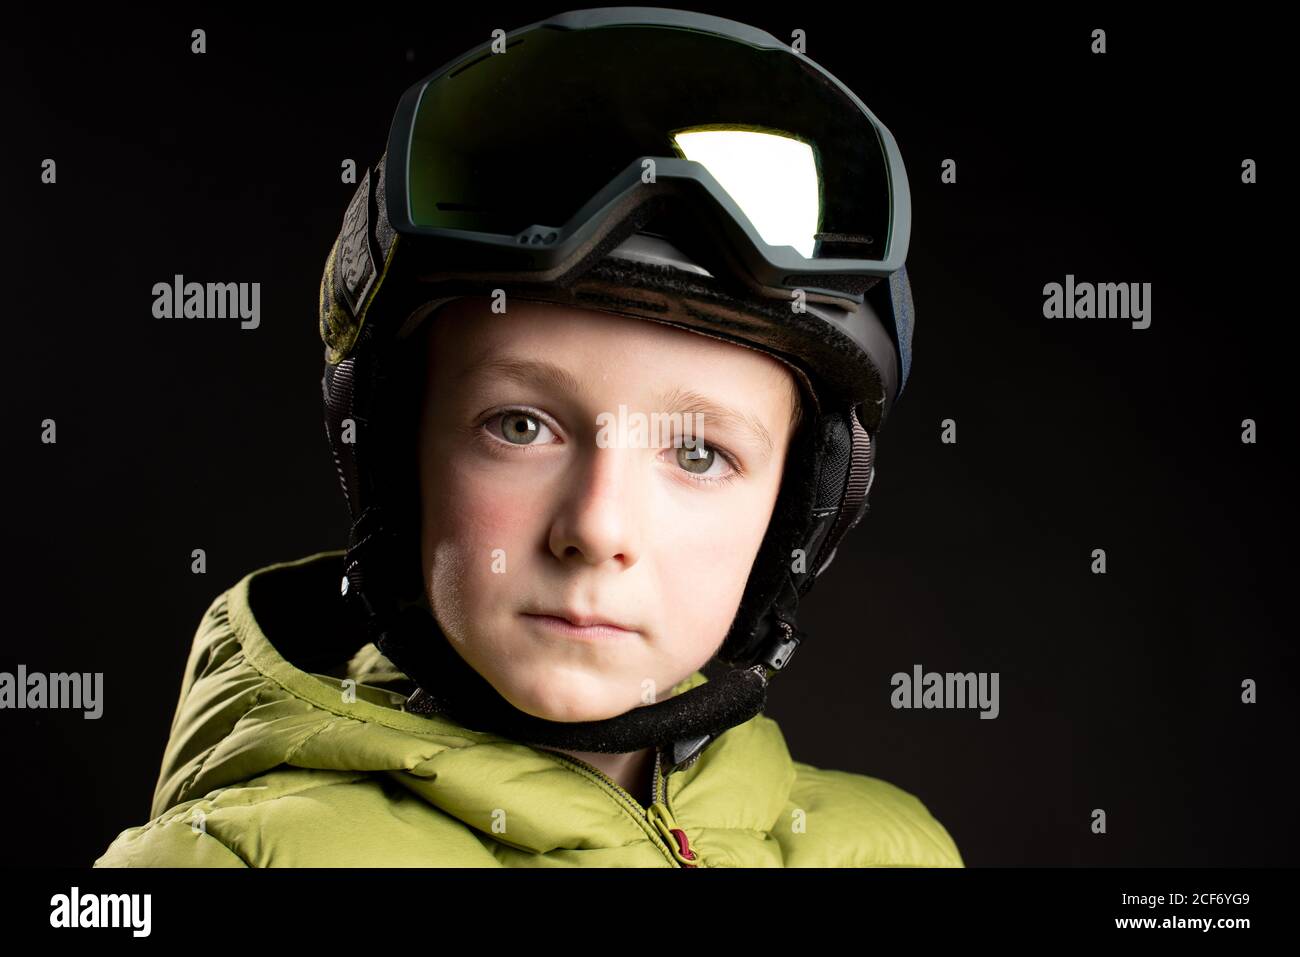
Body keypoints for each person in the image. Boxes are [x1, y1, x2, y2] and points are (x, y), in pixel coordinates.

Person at [95, 8, 962, 867]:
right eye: (521, 426)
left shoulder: (894, 851)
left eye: (698, 453)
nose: (597, 529)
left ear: (795, 514)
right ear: (400, 456)